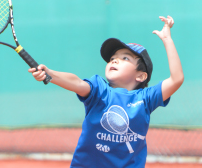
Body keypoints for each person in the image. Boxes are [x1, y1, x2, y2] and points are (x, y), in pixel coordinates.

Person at [28, 16, 184, 168]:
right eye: (112, 58)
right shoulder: (99, 90)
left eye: (125, 58)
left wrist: (167, 40)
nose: (114, 60)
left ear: (141, 76)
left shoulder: (146, 99)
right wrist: (51, 75)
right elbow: (77, 83)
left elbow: (176, 79)